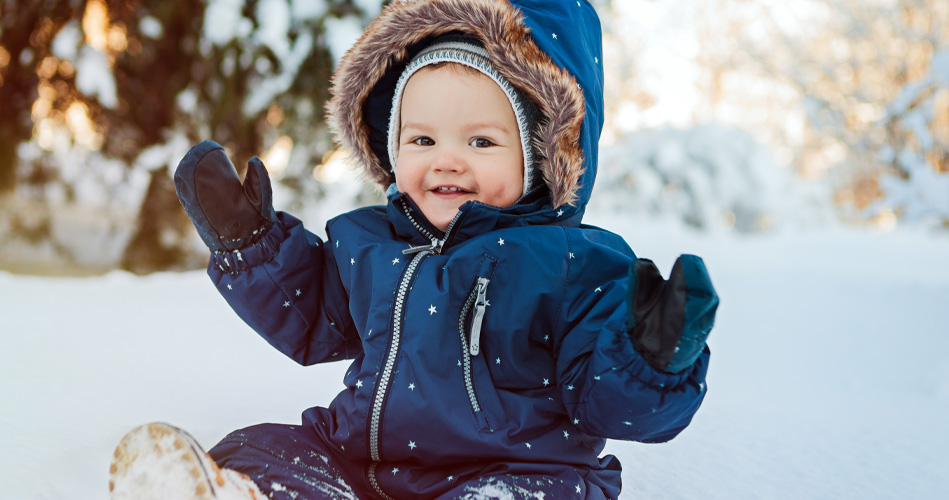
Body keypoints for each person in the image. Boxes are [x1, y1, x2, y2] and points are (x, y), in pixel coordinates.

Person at [109, 1, 718, 499]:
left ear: (541, 153)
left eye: (481, 140)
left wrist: (651, 358)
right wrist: (253, 245)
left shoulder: (571, 262)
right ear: (390, 149)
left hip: (513, 472)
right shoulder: (368, 239)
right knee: (263, 447)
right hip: (359, 462)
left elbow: (609, 407)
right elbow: (311, 316)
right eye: (422, 138)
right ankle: (236, 492)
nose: (445, 159)